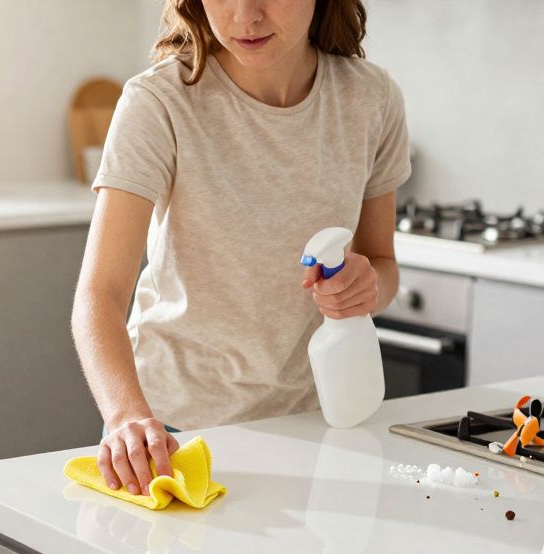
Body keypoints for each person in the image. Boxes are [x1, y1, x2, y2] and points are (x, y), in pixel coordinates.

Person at [71, 0, 409, 495]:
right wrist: (126, 417)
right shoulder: (160, 102)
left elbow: (383, 264)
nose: (245, 16)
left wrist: (369, 287)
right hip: (170, 435)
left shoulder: (371, 98)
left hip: (315, 428)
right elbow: (99, 295)